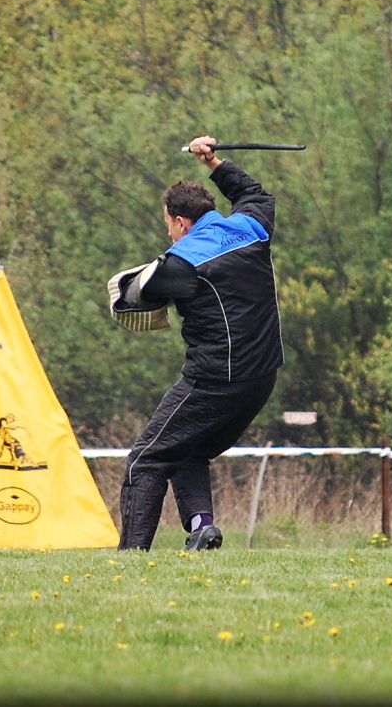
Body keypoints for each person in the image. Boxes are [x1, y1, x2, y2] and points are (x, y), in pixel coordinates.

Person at [111, 136, 283, 551]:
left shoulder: (182, 259)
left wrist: (132, 286)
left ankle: (131, 557)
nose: (167, 233)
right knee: (187, 450)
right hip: (262, 377)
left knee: (146, 459)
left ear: (181, 223)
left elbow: (132, 296)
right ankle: (202, 527)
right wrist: (215, 162)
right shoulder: (250, 227)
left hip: (214, 381)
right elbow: (254, 194)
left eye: (167, 224)